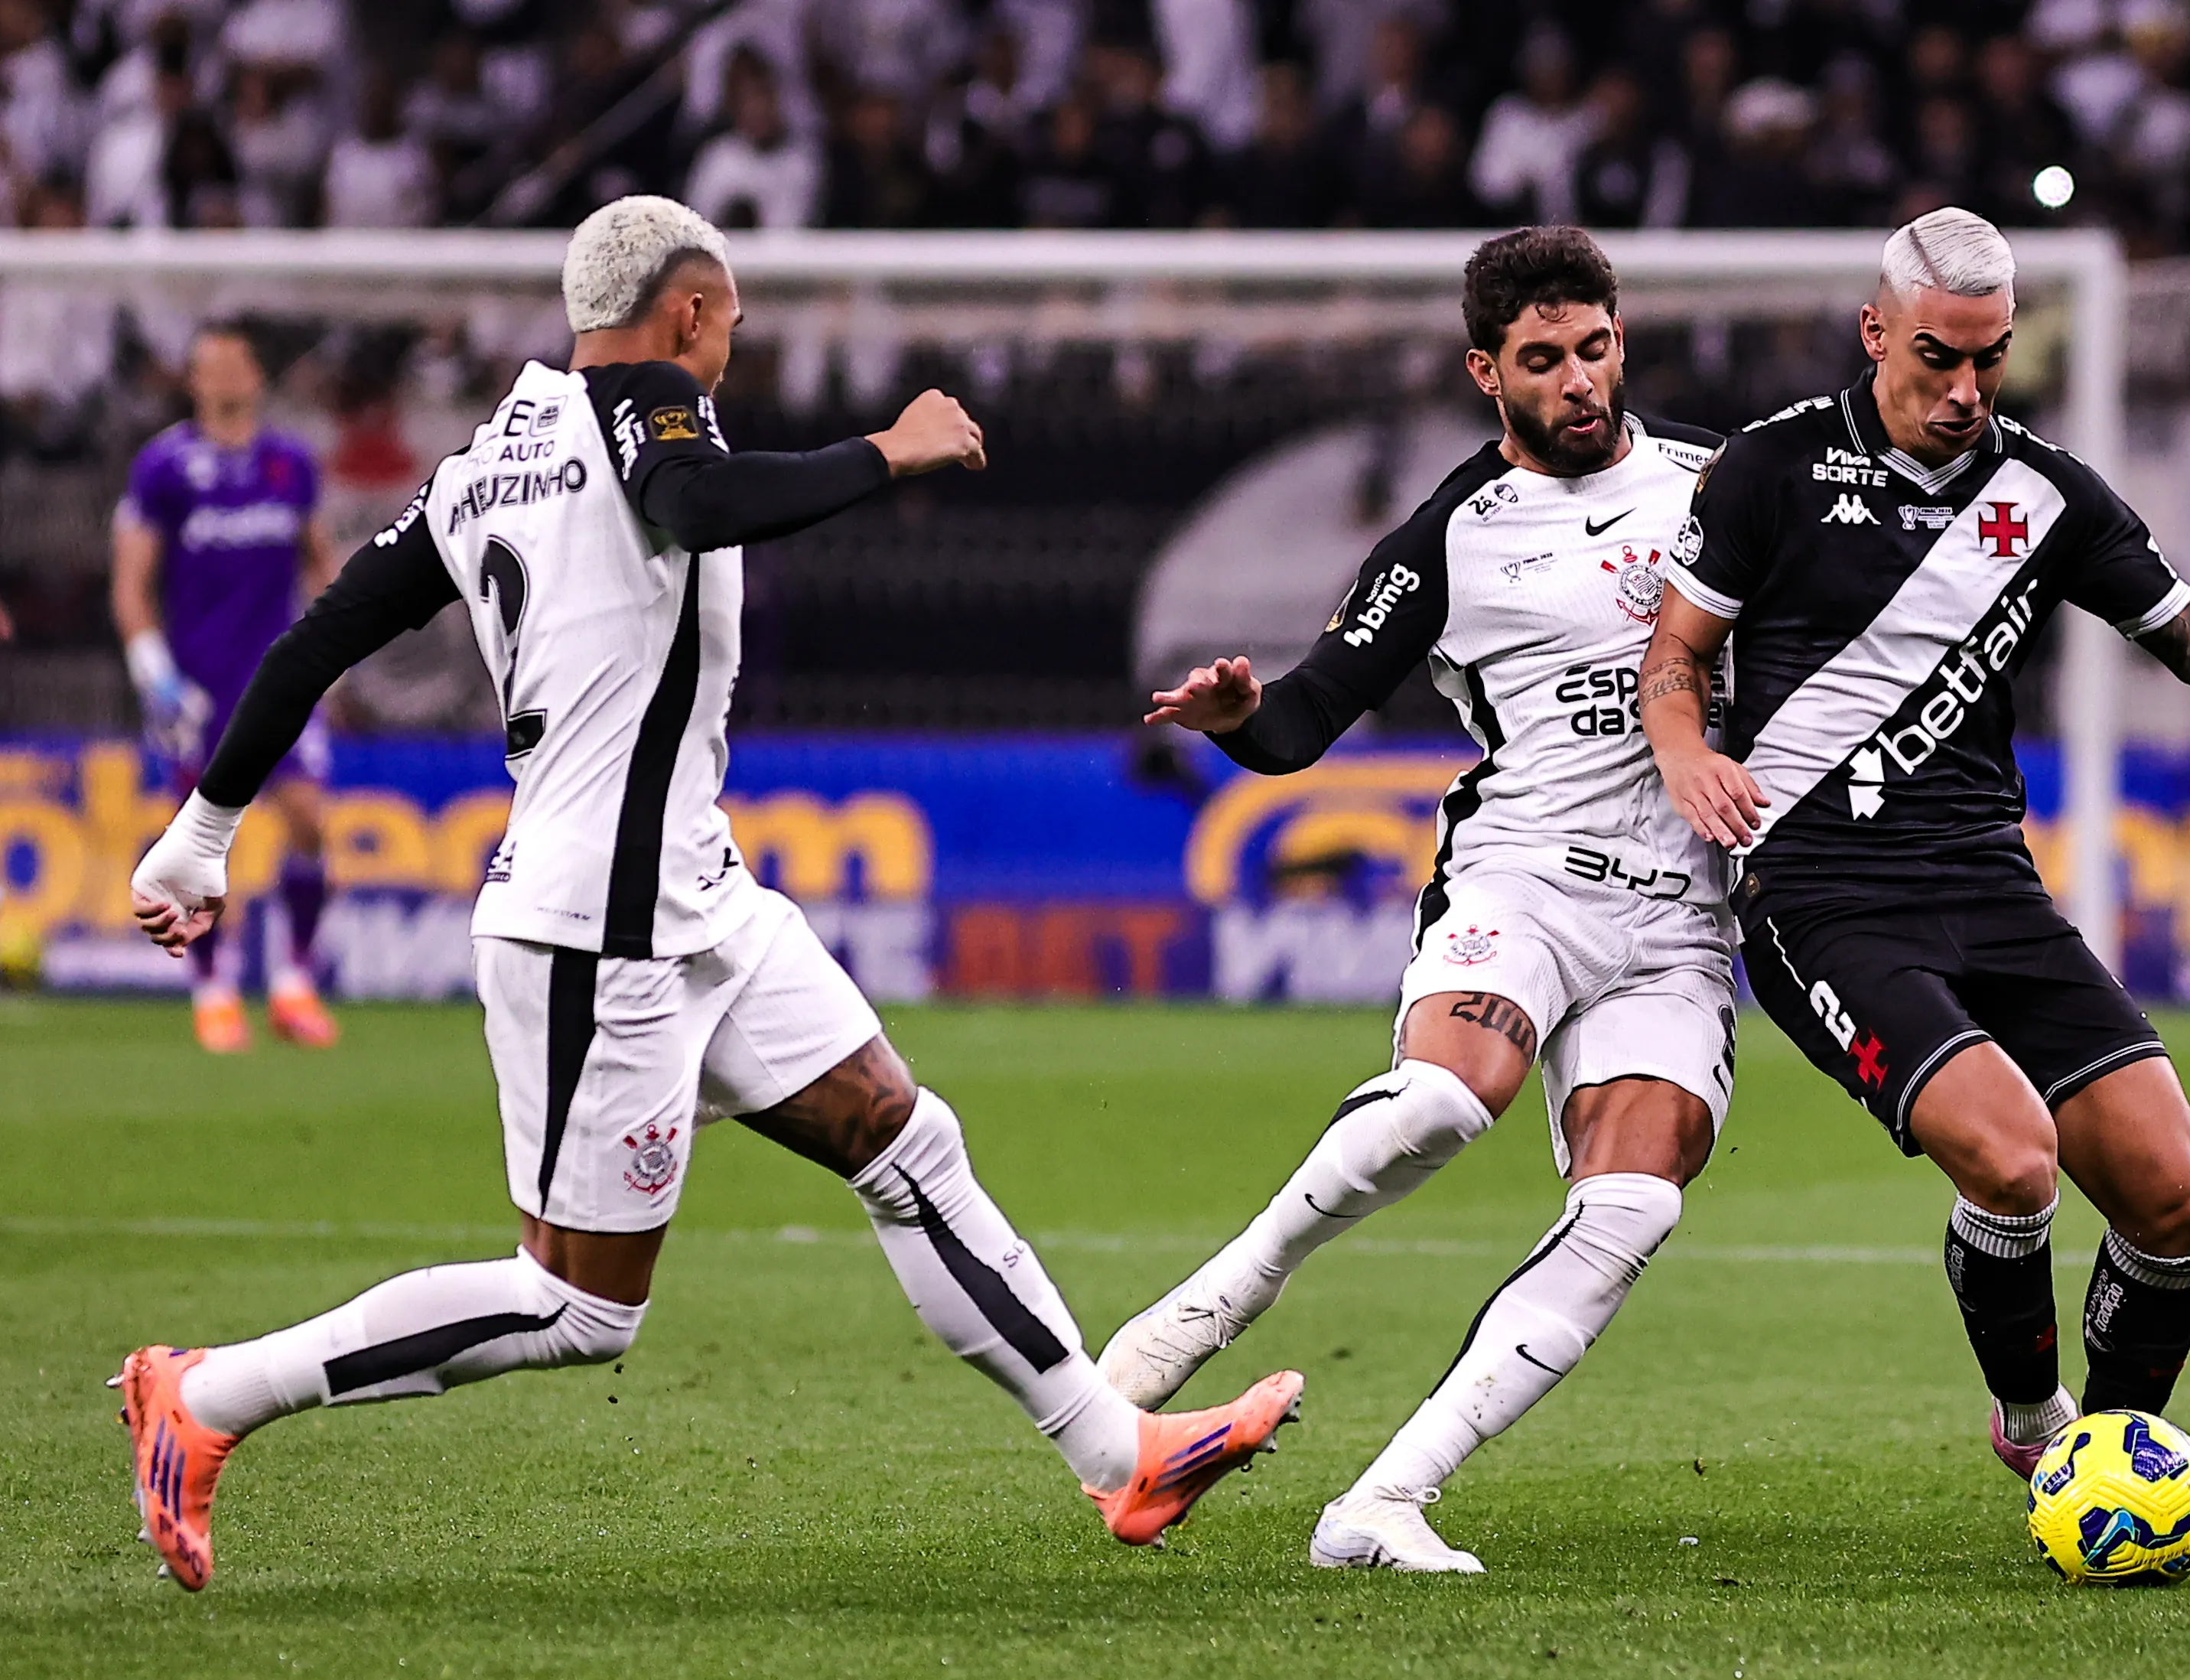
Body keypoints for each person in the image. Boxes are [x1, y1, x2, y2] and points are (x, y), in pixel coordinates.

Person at [116, 197, 1301, 1594]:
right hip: (593, 924)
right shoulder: (644, 410)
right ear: (685, 311)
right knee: (576, 1304)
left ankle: (1122, 1454)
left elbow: (320, 633)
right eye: (728, 323)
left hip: (698, 891)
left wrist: (206, 825)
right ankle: (206, 1394)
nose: (729, 351)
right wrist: (889, 449)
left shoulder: (482, 465)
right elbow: (689, 497)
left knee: (900, 1135)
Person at [1638, 207, 2190, 1482]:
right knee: (2012, 1158)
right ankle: (2029, 1421)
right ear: (1872, 332)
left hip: (1988, 884)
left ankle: (2112, 1460)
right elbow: (1673, 653)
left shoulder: (2042, 491)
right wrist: (1685, 752)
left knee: (2177, 1198)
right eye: (1934, 358)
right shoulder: (1767, 470)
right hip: (1823, 893)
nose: (1963, 389)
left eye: (1988, 359)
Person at [1110, 226, 1733, 1573]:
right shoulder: (1447, 534)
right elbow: (1304, 724)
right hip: (1524, 871)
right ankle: (1229, 1288)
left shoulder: (1717, 484)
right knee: (1445, 1102)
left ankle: (1382, 1502)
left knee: (1634, 1204)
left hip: (1683, 914)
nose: (1576, 380)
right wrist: (1240, 714)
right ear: (1483, 371)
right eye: (1540, 359)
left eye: (1593, 348)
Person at [111, 322, 343, 1053]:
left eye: (237, 364)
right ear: (193, 379)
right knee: (196, 838)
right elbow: (131, 586)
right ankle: (212, 992)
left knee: (307, 820)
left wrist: (331, 641)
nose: (226, 378)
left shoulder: (290, 464)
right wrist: (155, 672)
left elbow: (321, 562)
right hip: (200, 688)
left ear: (256, 376)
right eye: (210, 366)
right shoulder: (165, 468)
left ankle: (294, 985)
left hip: (278, 680)